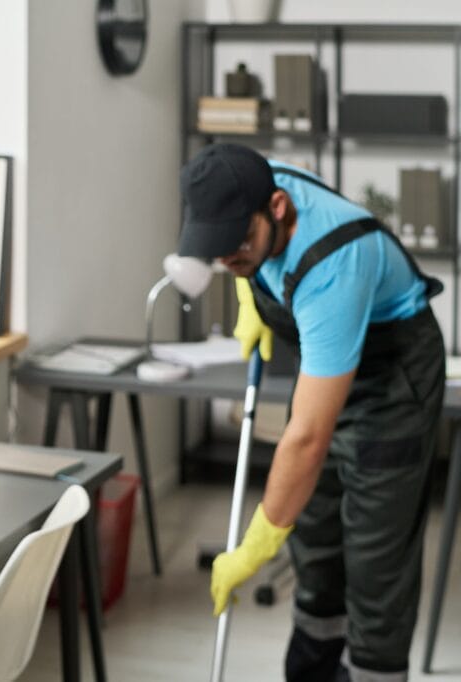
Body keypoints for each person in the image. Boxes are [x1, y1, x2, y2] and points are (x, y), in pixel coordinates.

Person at [179, 143, 444, 681]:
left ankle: (372, 671)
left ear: (277, 207)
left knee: (374, 561)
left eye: (240, 247)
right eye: (218, 251)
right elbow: (244, 249)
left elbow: (306, 437)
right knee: (315, 538)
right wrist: (252, 298)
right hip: (331, 359)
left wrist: (252, 548)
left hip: (391, 381)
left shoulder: (334, 263)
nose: (230, 261)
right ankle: (315, 670)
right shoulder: (250, 185)